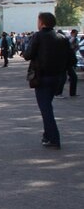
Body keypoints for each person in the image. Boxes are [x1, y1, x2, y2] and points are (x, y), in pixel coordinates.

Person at [23, 12, 72, 149]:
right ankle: (47, 135)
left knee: (46, 109)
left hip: (42, 77)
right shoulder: (63, 37)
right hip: (58, 78)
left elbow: (28, 55)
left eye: (38, 21)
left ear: (42, 22)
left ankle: (54, 138)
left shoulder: (38, 36)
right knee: (47, 106)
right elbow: (71, 59)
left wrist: (26, 53)